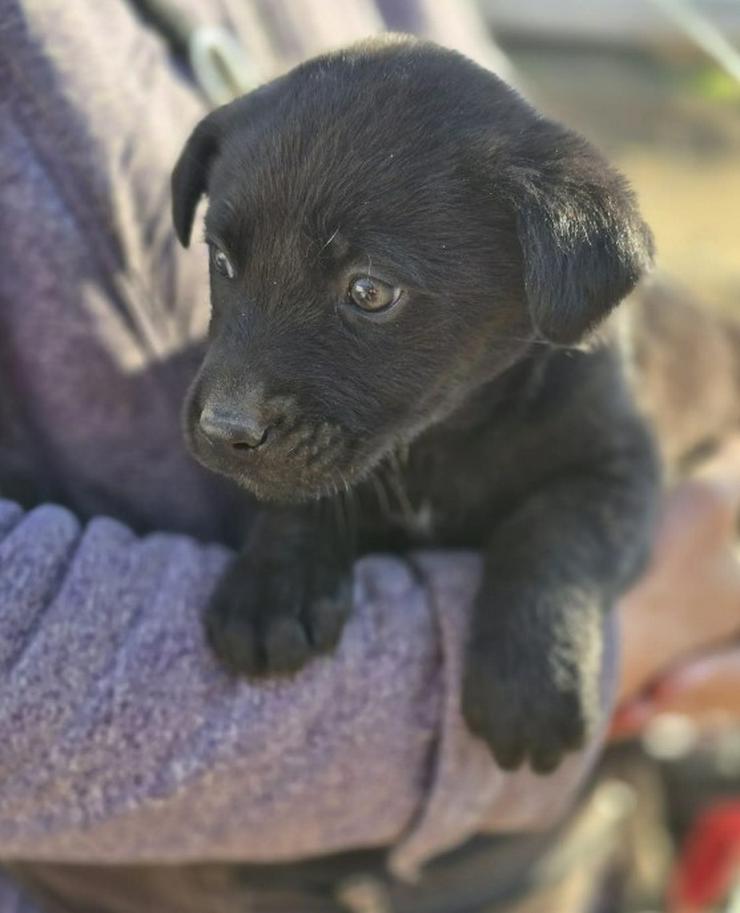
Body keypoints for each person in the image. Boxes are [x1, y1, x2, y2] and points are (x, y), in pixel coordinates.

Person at [0, 1, 737, 911]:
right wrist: (295, 536)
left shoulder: (572, 361)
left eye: (369, 292)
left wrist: (554, 588)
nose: (230, 407)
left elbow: (613, 475)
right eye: (227, 262)